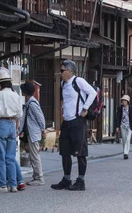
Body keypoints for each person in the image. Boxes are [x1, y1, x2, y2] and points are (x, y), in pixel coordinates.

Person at [51, 60, 96, 191]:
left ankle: (81, 181)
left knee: (81, 152)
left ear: (70, 71)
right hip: (67, 121)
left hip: (78, 121)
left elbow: (92, 93)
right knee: (65, 151)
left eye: (62, 70)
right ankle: (66, 179)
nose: (61, 73)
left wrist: (85, 108)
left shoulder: (78, 81)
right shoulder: (63, 83)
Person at [0, 68, 23, 193]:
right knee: (10, 157)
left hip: (1, 123)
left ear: (0, 84)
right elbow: (20, 113)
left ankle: (2, 184)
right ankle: (13, 185)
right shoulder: (15, 95)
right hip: (12, 124)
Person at [19, 82, 46, 186]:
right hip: (31, 132)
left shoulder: (32, 104)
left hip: (34, 133)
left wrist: (43, 129)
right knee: (33, 155)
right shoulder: (29, 102)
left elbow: (40, 118)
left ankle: (39, 177)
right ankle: (36, 176)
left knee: (34, 155)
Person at [114, 95, 132, 159]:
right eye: (122, 101)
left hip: (129, 125)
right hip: (122, 125)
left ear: (127, 102)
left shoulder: (131, 108)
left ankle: (126, 153)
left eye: (125, 101)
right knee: (124, 139)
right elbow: (118, 117)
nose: (123, 102)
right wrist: (117, 126)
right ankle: (125, 152)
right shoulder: (120, 108)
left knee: (128, 139)